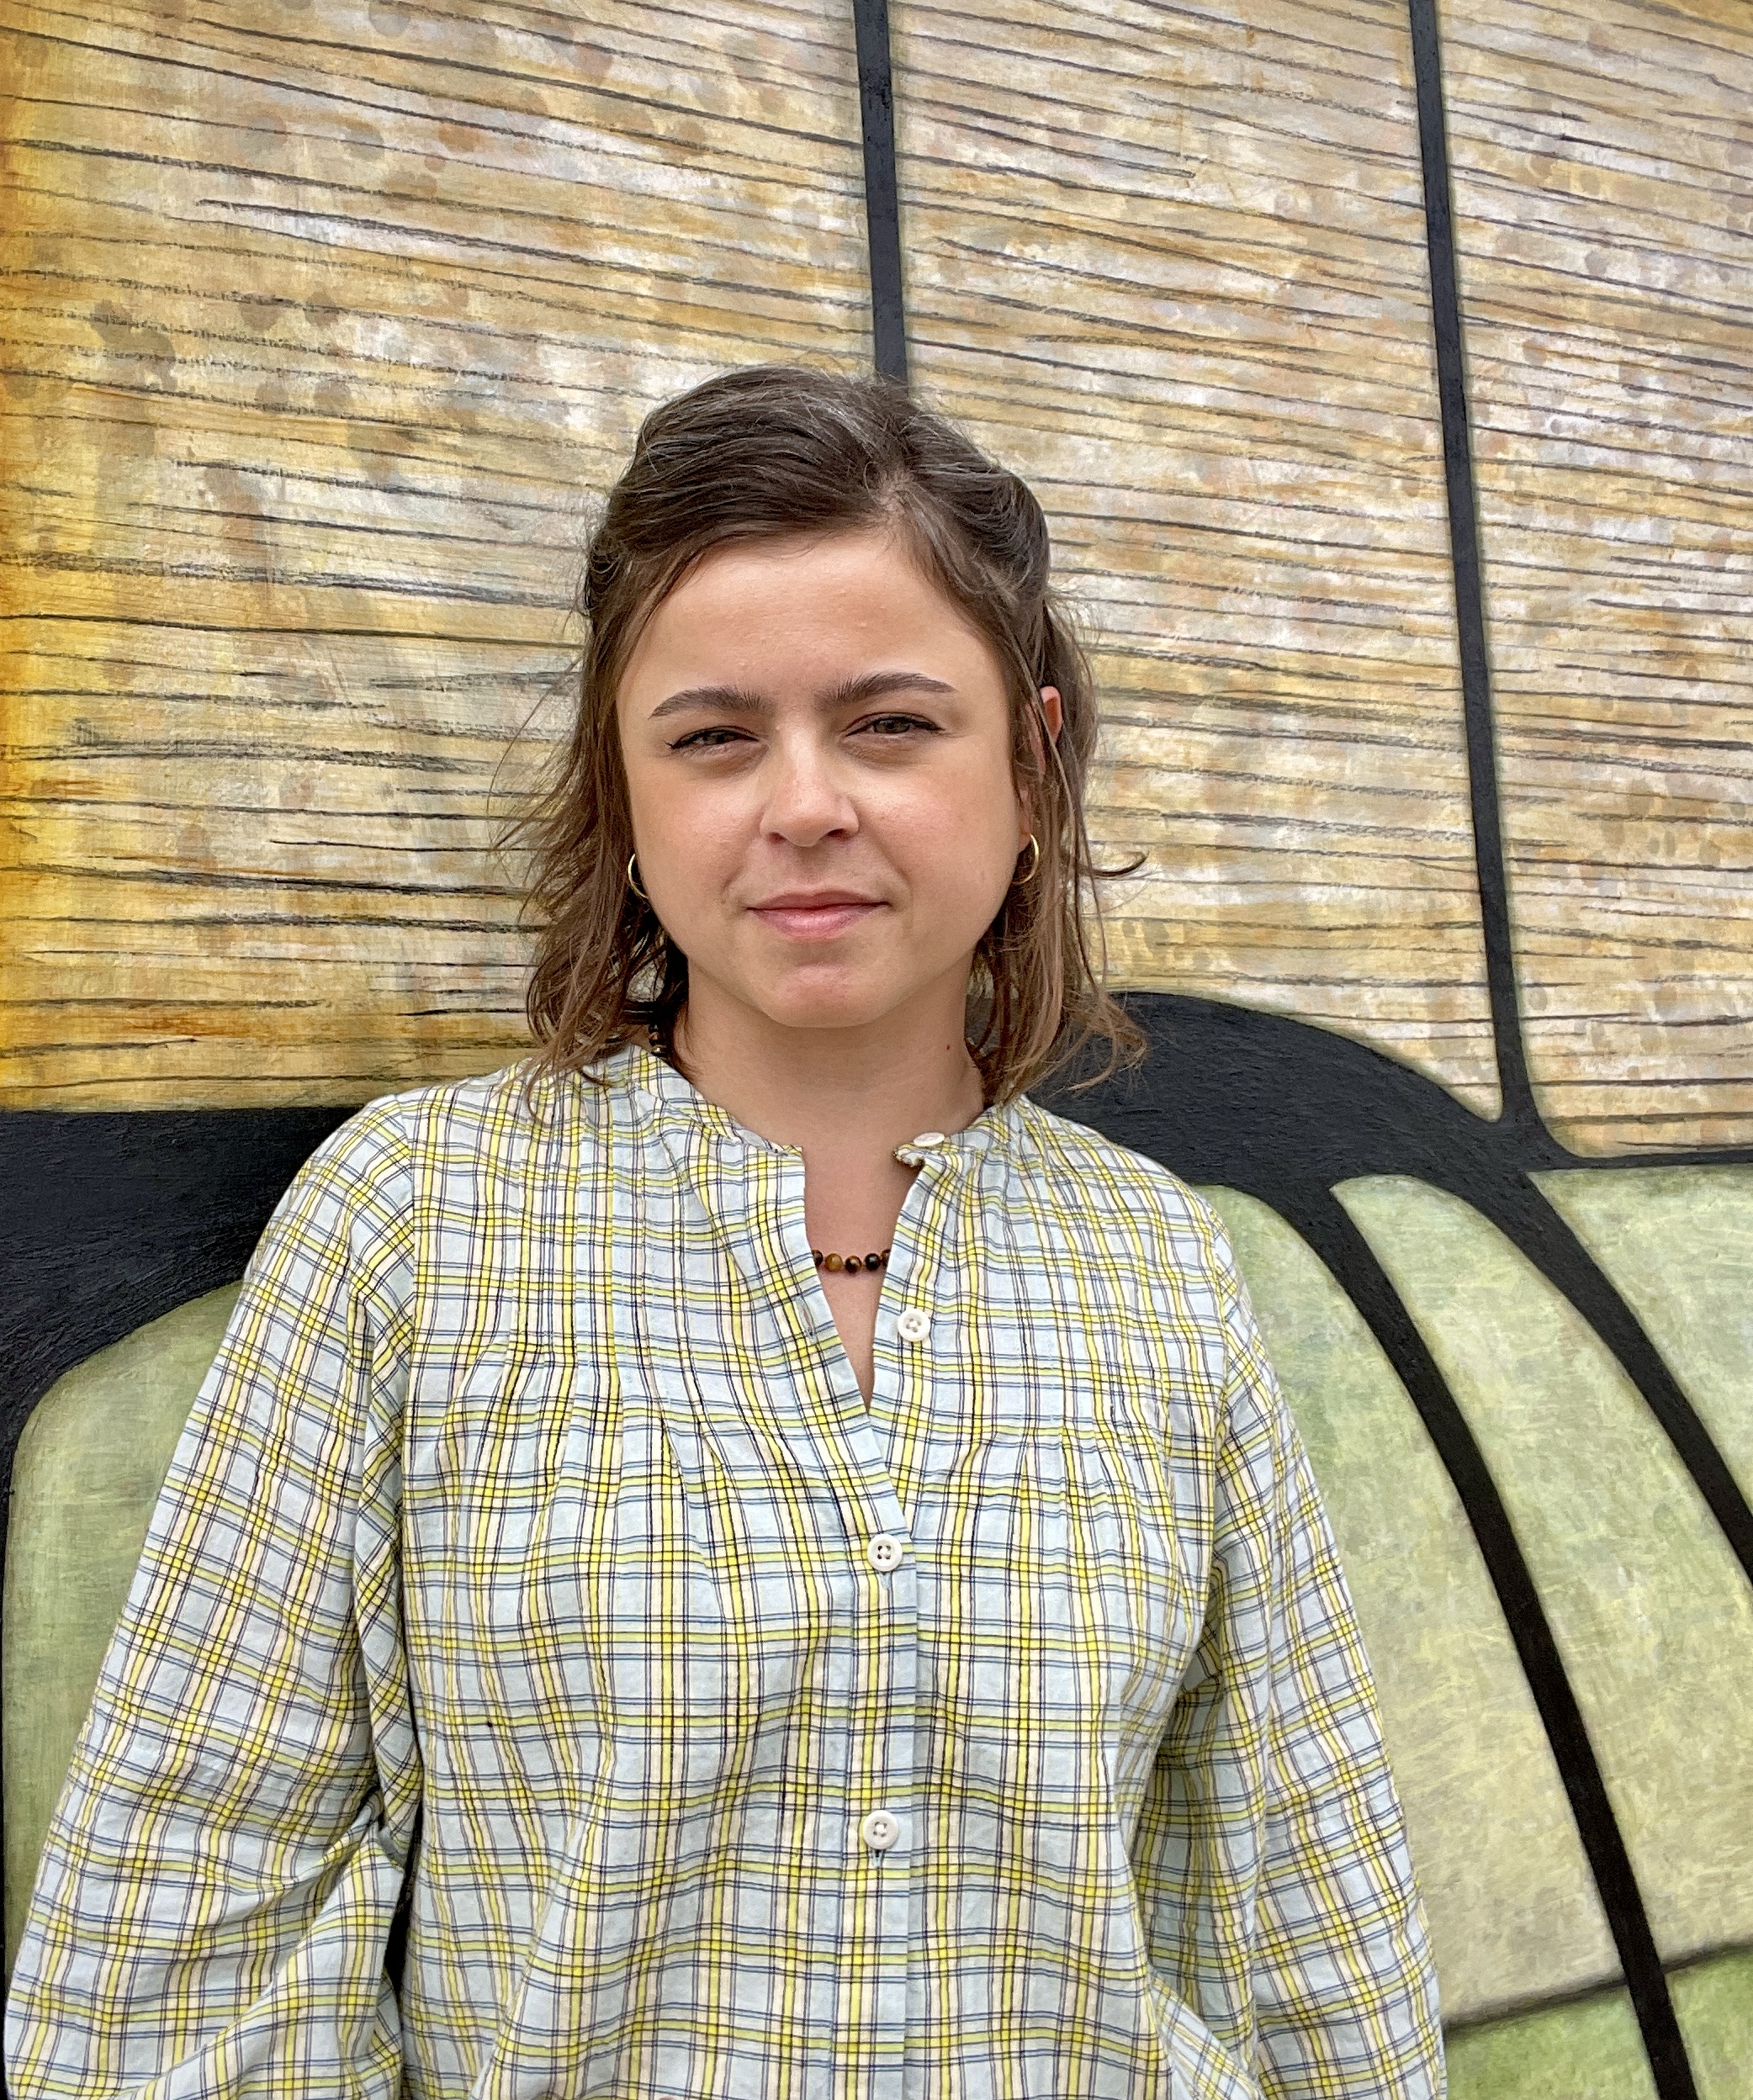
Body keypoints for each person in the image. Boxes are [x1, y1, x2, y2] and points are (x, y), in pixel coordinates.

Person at [6, 366, 1443, 2098]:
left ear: (1031, 757)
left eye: (891, 723)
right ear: (624, 790)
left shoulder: (1155, 1270)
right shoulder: (413, 1230)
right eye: (713, 736)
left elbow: (1306, 1933)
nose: (803, 803)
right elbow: (176, 1952)